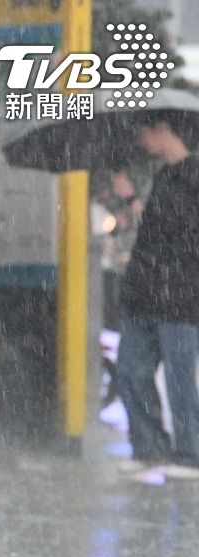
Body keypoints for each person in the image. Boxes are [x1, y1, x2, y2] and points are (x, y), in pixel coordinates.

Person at [110, 112, 199, 480]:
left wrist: (133, 199)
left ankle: (189, 454)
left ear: (163, 130)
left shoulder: (193, 175)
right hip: (145, 292)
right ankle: (149, 447)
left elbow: (180, 230)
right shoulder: (163, 175)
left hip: (179, 295)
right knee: (131, 370)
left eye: (145, 132)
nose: (142, 141)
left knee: (180, 379)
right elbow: (160, 228)